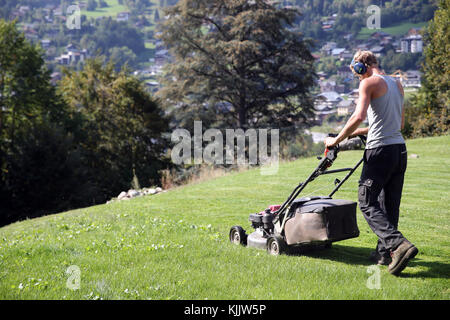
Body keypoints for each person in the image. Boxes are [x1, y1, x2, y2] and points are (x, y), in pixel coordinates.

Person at [324, 50, 418, 276]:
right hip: (399, 150)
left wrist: (336, 139)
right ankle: (385, 254)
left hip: (379, 152)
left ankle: (398, 244)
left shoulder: (368, 83)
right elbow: (398, 123)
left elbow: (357, 117)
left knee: (366, 201)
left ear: (360, 67)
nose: (358, 78)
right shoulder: (397, 83)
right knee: (389, 206)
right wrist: (354, 134)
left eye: (356, 73)